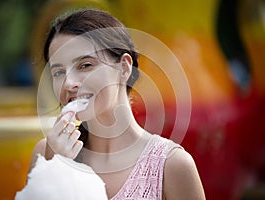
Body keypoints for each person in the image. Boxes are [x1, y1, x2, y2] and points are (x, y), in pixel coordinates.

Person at [28, 8, 205, 200]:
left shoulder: (173, 166)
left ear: (124, 67)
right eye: (58, 72)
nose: (69, 83)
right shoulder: (46, 153)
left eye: (85, 65)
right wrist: (55, 170)